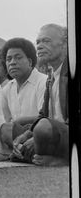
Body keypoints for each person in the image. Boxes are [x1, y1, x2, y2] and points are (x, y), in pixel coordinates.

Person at [9, 24, 69, 166]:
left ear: (65, 44)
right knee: (8, 130)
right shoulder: (51, 75)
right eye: (38, 42)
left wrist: (36, 137)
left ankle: (64, 160)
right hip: (55, 134)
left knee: (42, 128)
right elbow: (43, 115)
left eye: (46, 41)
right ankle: (36, 154)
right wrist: (26, 136)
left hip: (62, 133)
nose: (40, 46)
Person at [0, 37, 47, 157]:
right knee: (3, 130)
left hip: (38, 132)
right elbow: (7, 121)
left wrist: (21, 120)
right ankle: (21, 152)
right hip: (16, 136)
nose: (12, 62)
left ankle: (23, 152)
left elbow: (46, 117)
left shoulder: (44, 82)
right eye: (8, 59)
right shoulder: (6, 89)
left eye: (18, 58)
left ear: (30, 62)